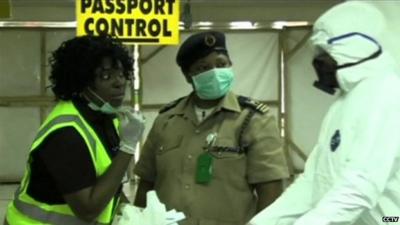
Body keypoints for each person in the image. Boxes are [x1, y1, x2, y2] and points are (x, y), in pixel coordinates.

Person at [248, 2, 400, 225]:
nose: (317, 62)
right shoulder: (343, 103)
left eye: (324, 52)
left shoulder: (386, 94)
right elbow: (313, 182)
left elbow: (361, 185)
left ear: (353, 49)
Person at [133, 31, 290, 225]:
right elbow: (146, 183)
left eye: (221, 64)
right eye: (203, 68)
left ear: (230, 65)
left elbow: (271, 190)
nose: (215, 72)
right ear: (188, 76)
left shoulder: (253, 119)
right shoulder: (166, 120)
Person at [4, 35, 145, 225]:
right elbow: (88, 210)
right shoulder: (67, 134)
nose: (119, 82)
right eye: (106, 76)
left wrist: (130, 212)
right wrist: (128, 147)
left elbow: (108, 179)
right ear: (81, 81)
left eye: (121, 74)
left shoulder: (105, 118)